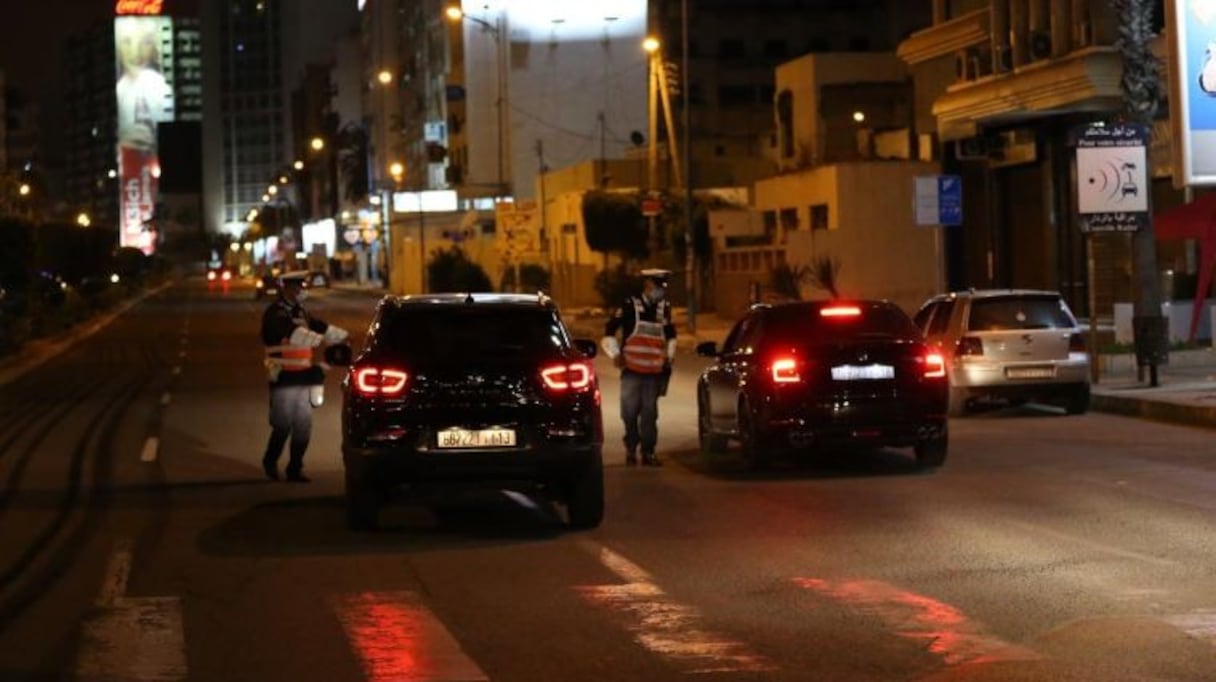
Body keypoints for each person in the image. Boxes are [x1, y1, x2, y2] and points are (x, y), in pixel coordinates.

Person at [260, 272, 347, 482]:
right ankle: (270, 461)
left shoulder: (300, 311)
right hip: (282, 375)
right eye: (298, 287)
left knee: (303, 425)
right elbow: (293, 333)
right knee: (282, 425)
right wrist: (319, 341)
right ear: (286, 289)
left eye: (302, 286)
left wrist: (340, 337)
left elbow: (319, 325)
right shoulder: (275, 313)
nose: (302, 291)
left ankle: (295, 468)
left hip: (305, 375)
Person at [601, 269, 678, 467]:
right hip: (631, 372)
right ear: (648, 285)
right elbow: (609, 332)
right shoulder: (630, 306)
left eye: (663, 287)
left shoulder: (664, 309)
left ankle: (648, 451)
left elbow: (671, 335)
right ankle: (630, 448)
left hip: (653, 373)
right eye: (658, 286)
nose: (661, 291)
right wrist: (615, 354)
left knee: (649, 414)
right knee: (628, 413)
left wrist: (669, 357)